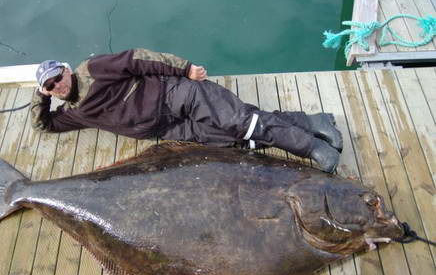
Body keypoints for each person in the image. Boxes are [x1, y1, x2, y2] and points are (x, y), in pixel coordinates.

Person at [31, 48, 342, 172]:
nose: (57, 85)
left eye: (58, 77)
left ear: (67, 70)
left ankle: (311, 146)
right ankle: (313, 121)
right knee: (233, 140)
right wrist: (39, 97)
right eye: (50, 86)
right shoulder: (73, 113)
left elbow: (138, 59)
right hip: (169, 129)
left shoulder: (95, 68)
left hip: (174, 94)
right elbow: (43, 125)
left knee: (240, 121)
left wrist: (185, 69)